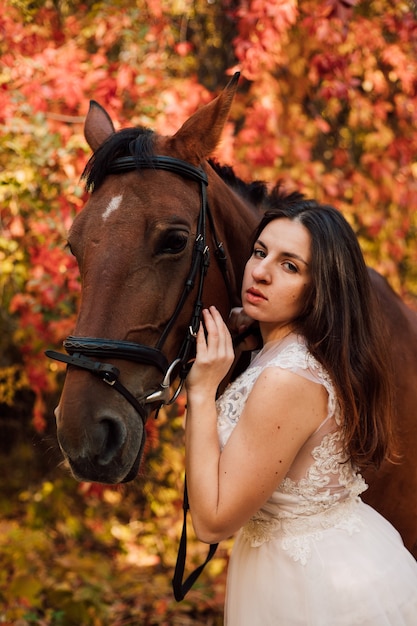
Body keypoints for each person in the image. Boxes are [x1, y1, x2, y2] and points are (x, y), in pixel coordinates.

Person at [184, 194, 417, 625]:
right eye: (260, 252)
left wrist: (201, 393)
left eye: (289, 266)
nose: (260, 272)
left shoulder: (286, 378)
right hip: (299, 562)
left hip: (316, 584)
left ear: (322, 286)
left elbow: (212, 523)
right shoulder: (295, 351)